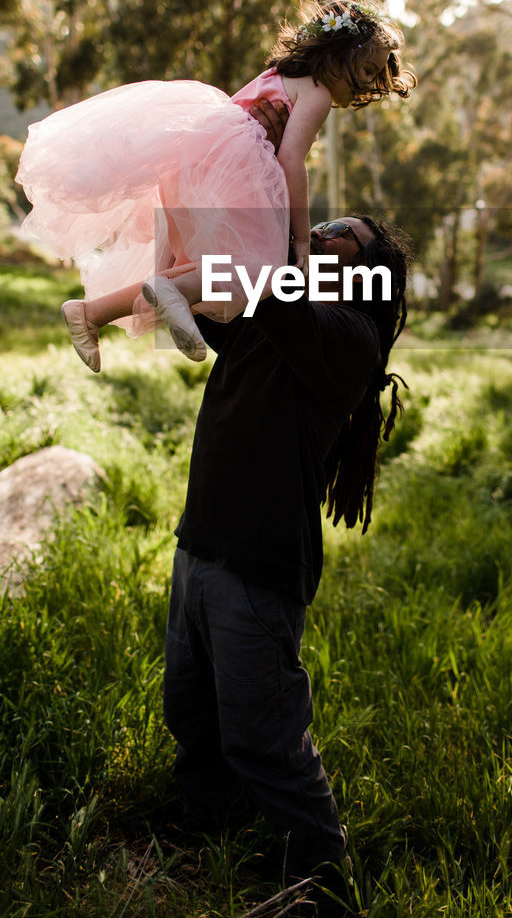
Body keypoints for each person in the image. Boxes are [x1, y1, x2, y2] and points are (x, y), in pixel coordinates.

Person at [161, 209, 411, 917]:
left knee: (264, 739)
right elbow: (202, 278)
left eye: (343, 235)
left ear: (364, 273)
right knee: (192, 711)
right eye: (325, 220)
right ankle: (206, 829)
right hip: (201, 540)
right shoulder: (270, 307)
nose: (322, 231)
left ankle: (322, 887)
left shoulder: (345, 338)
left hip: (259, 560)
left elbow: (265, 273)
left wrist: (279, 181)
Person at [14, 0, 414, 370]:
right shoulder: (317, 93)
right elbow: (292, 162)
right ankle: (178, 298)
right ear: (339, 51)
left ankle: (90, 313)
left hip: (195, 165)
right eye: (366, 70)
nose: (367, 84)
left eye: (376, 77)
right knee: (265, 269)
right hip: (234, 170)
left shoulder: (278, 74)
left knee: (205, 269)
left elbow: (237, 124)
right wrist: (302, 241)